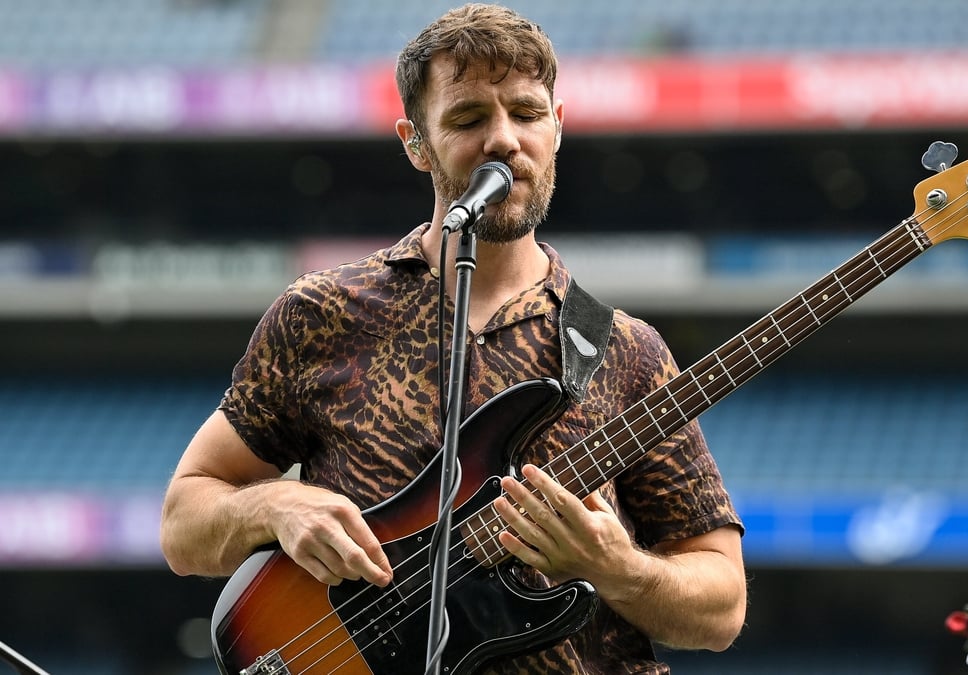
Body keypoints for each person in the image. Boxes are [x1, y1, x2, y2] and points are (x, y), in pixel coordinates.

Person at [159, 3, 747, 673]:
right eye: (468, 118)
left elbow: (722, 607)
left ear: (558, 127)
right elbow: (185, 521)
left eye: (526, 113)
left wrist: (617, 567)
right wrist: (278, 503)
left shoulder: (624, 349)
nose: (503, 139)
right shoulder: (324, 313)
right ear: (415, 142)